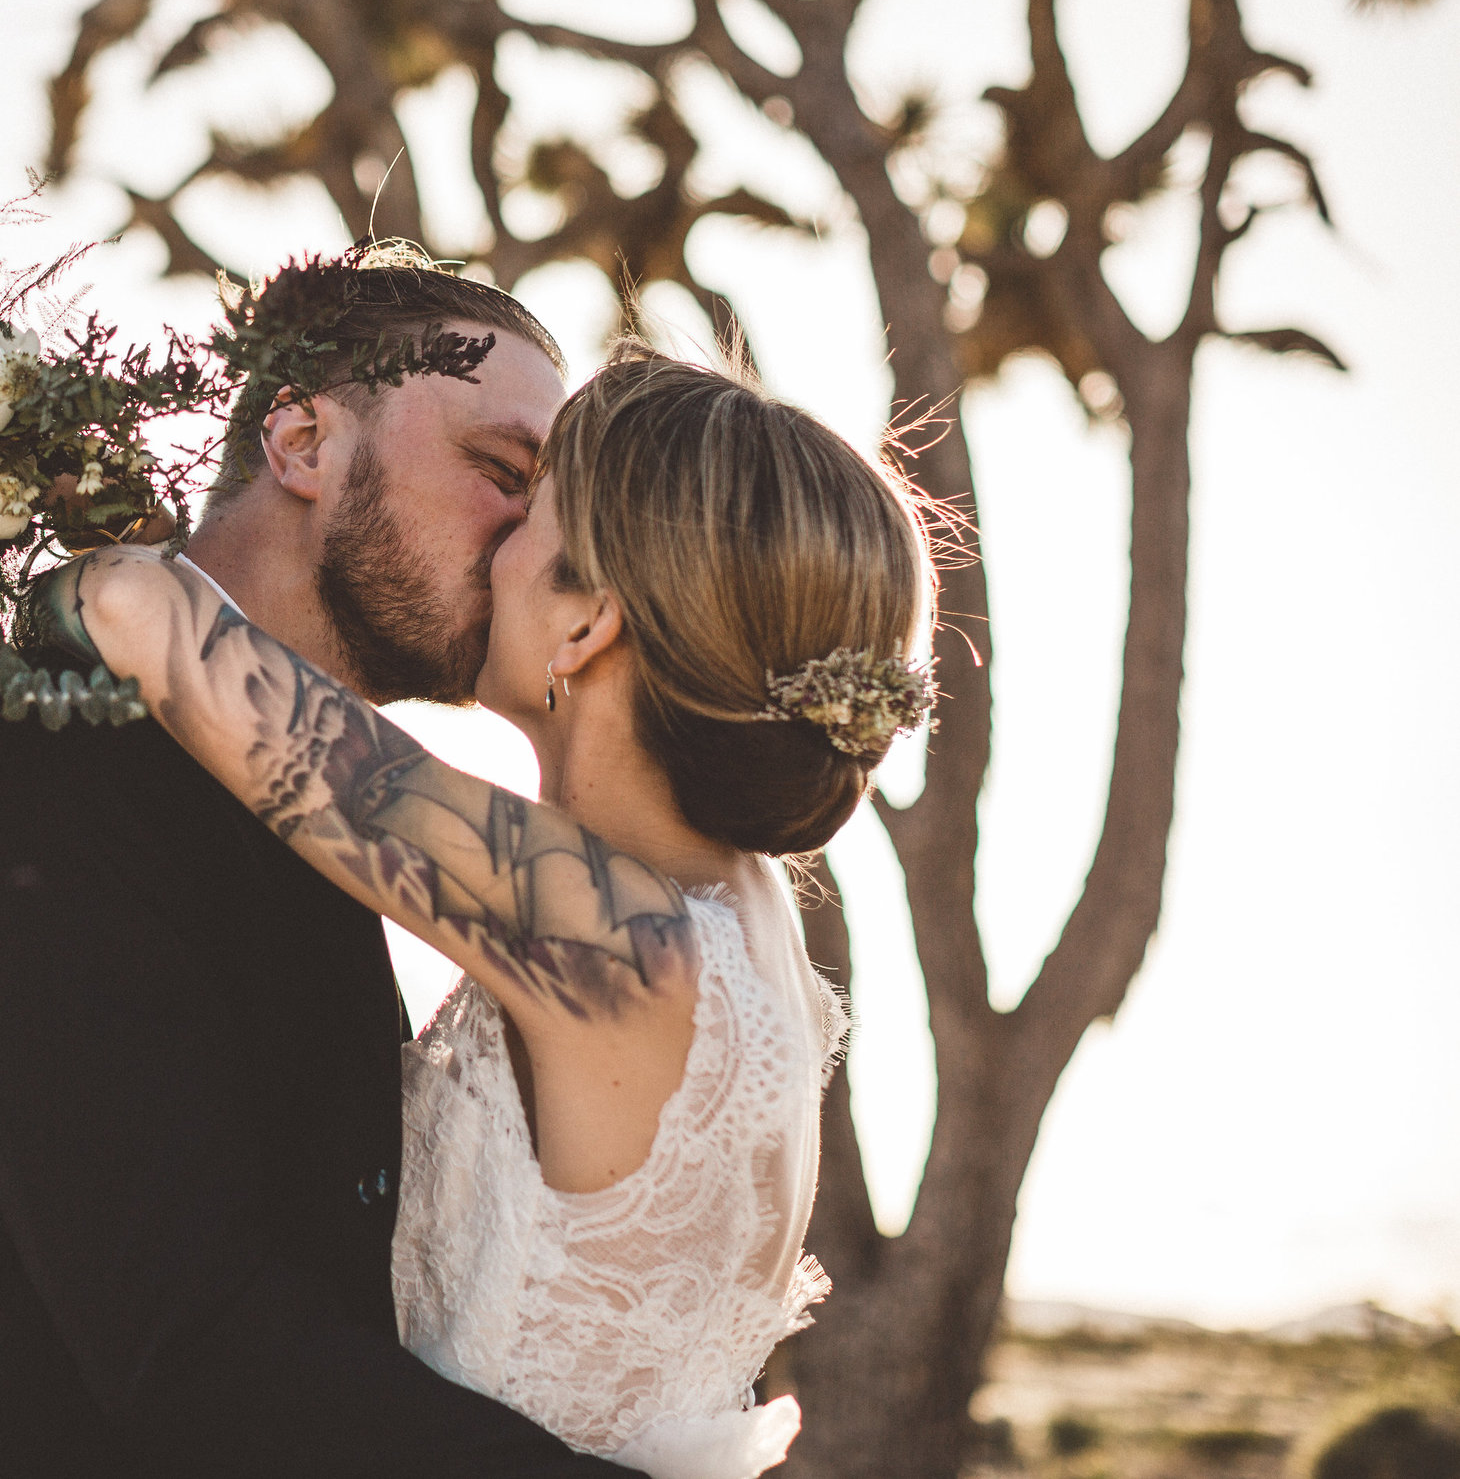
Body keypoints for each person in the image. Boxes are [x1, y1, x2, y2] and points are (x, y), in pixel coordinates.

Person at [46, 344, 938, 1475]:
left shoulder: (605, 933)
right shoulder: (740, 911)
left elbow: (144, 608)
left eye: (531, 513)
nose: (493, 535)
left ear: (582, 628)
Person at [0, 261, 634, 1477]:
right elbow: (190, 1342)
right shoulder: (40, 764)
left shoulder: (321, 790)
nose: (528, 543)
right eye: (501, 473)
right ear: (304, 440)